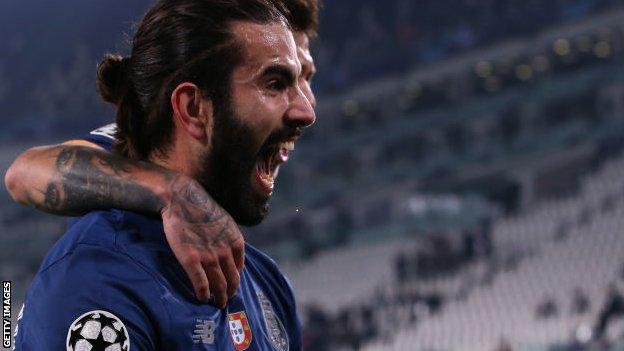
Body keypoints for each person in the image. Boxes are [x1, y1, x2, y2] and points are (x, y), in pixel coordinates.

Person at [12, 0, 316, 349]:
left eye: (305, 78)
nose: (307, 109)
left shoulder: (269, 287)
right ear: (192, 109)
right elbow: (24, 173)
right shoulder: (100, 281)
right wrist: (174, 191)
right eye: (275, 83)